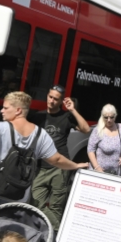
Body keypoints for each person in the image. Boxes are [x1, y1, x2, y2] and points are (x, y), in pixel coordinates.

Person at [0, 91, 87, 223]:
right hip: (15, 194)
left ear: (18, 110)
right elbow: (56, 159)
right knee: (8, 234)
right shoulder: (41, 134)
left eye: (6, 108)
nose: (2, 111)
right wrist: (75, 165)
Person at [28, 85, 91, 229]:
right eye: (50, 97)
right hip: (40, 167)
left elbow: (86, 129)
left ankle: (51, 240)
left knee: (56, 206)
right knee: (36, 203)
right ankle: (58, 230)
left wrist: (72, 110)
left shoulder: (66, 117)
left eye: (56, 99)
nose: (51, 101)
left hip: (61, 167)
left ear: (61, 101)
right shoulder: (37, 116)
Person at [87, 104, 121, 176]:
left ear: (115, 116)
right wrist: (97, 167)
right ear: (102, 117)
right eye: (106, 117)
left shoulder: (120, 127)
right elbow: (90, 150)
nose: (109, 120)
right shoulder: (98, 130)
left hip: (116, 173)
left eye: (111, 117)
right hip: (100, 173)